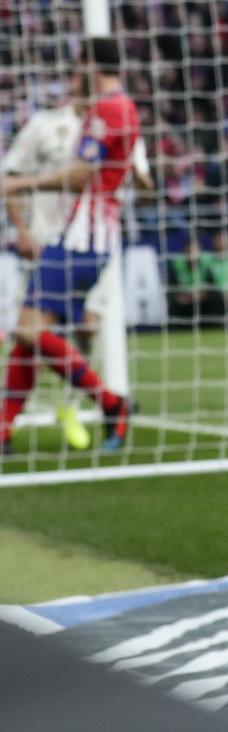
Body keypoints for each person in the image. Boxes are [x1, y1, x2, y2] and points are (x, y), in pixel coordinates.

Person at [0, 39, 139, 455]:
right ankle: (4, 430)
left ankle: (111, 403)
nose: (76, 74)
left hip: (81, 238)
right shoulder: (122, 109)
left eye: (81, 65)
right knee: (29, 336)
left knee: (29, 331)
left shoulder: (109, 110)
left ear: (92, 66)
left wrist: (20, 184)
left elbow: (81, 176)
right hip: (83, 236)